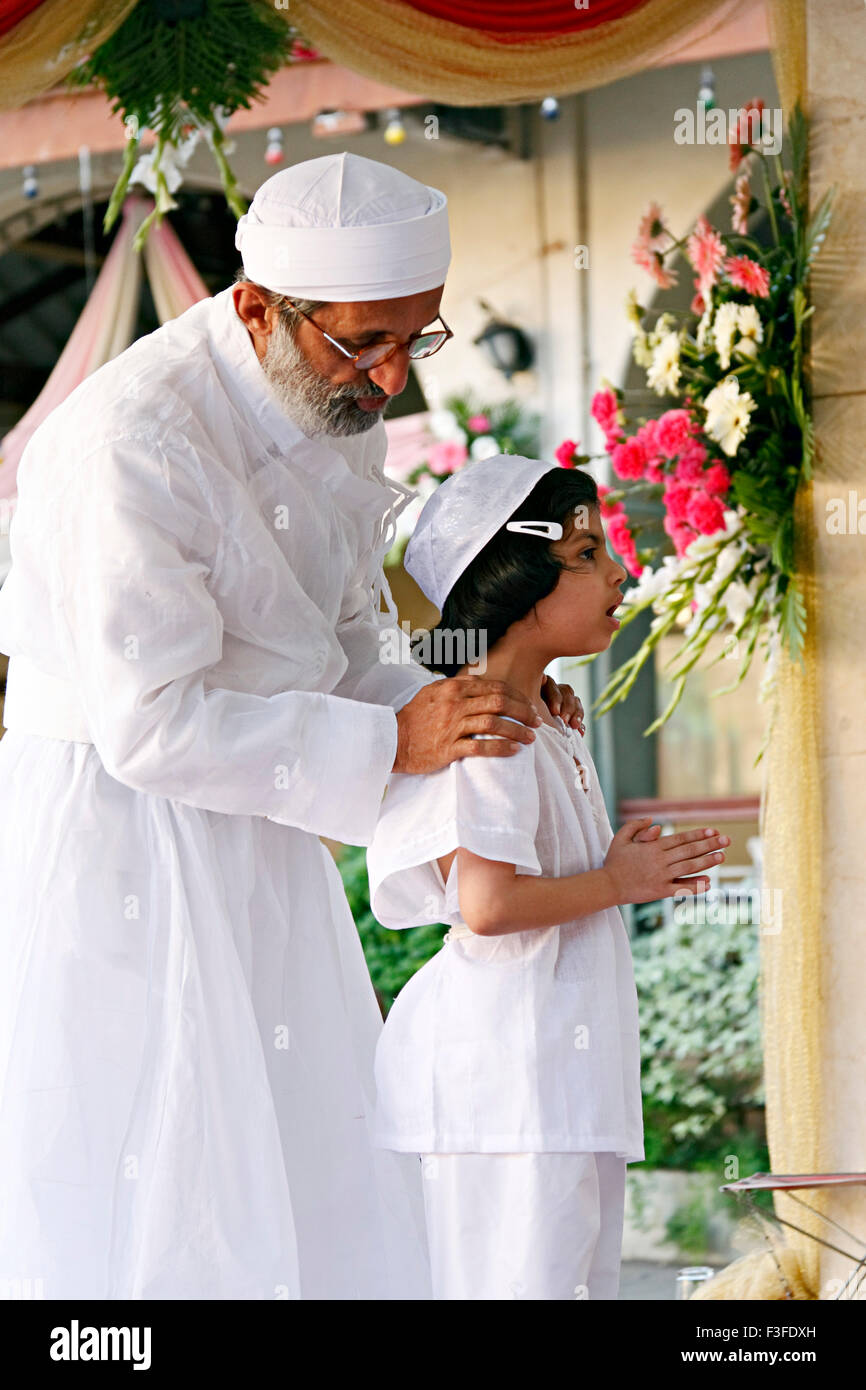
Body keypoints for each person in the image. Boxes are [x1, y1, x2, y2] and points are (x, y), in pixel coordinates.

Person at [0, 154, 582, 1300]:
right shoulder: (130, 438)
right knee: (159, 1178)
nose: (390, 379)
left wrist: (477, 697)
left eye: (415, 339)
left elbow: (342, 640)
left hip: (263, 823)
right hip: (124, 841)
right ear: (258, 307)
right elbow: (152, 725)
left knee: (307, 1158)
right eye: (363, 344)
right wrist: (393, 743)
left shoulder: (334, 399)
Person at [366, 455, 731, 1300]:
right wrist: (622, 880)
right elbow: (488, 904)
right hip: (510, 1086)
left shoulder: (538, 713)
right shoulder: (487, 725)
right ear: (516, 581)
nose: (619, 572)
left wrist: (628, 872)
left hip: (550, 1080)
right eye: (587, 554)